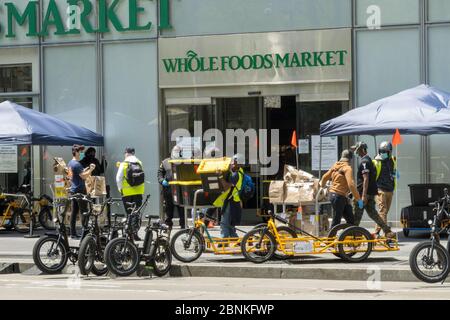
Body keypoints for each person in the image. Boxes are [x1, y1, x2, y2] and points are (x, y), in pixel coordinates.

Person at [351, 142, 396, 239]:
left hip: (364, 194)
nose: (356, 152)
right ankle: (387, 231)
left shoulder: (365, 162)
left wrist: (363, 196)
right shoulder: (371, 161)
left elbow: (366, 179)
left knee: (356, 217)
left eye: (357, 150)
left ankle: (353, 237)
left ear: (362, 150)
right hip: (371, 193)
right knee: (375, 214)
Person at [320, 149, 363, 228]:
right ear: (350, 159)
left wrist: (322, 186)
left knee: (351, 220)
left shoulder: (335, 166)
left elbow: (324, 177)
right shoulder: (347, 168)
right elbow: (351, 185)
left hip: (339, 196)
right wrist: (358, 199)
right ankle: (330, 239)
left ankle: (349, 236)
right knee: (336, 221)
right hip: (338, 197)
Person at [116, 147, 145, 241]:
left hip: (127, 193)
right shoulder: (139, 163)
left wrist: (120, 189)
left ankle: (129, 235)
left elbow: (118, 178)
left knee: (129, 214)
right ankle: (135, 234)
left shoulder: (124, 164)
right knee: (136, 214)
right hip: (138, 192)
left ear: (126, 153)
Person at [68, 145, 96, 239]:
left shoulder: (70, 163)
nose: (81, 154)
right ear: (76, 152)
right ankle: (85, 234)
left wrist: (86, 169)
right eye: (80, 152)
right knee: (84, 212)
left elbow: (77, 174)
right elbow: (83, 176)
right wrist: (91, 169)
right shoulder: (76, 164)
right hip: (80, 190)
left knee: (74, 212)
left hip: (73, 190)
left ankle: (72, 233)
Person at [213, 154, 245, 238]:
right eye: (232, 162)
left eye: (233, 162)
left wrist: (220, 176)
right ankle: (235, 239)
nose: (232, 164)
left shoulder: (236, 175)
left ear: (238, 163)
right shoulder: (239, 171)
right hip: (234, 201)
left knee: (224, 223)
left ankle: (224, 240)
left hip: (231, 201)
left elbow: (226, 186)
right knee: (231, 224)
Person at [373, 141, 397, 235]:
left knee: (384, 213)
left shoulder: (392, 160)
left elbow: (394, 172)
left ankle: (376, 233)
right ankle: (387, 233)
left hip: (390, 190)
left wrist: (395, 174)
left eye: (385, 152)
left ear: (390, 152)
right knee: (383, 212)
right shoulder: (376, 162)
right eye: (381, 151)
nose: (383, 153)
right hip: (380, 190)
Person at [158, 151, 185, 230]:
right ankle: (168, 225)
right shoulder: (165, 162)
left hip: (180, 189)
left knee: (181, 208)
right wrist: (162, 180)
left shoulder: (183, 161)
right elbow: (159, 174)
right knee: (168, 208)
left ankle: (183, 225)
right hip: (168, 190)